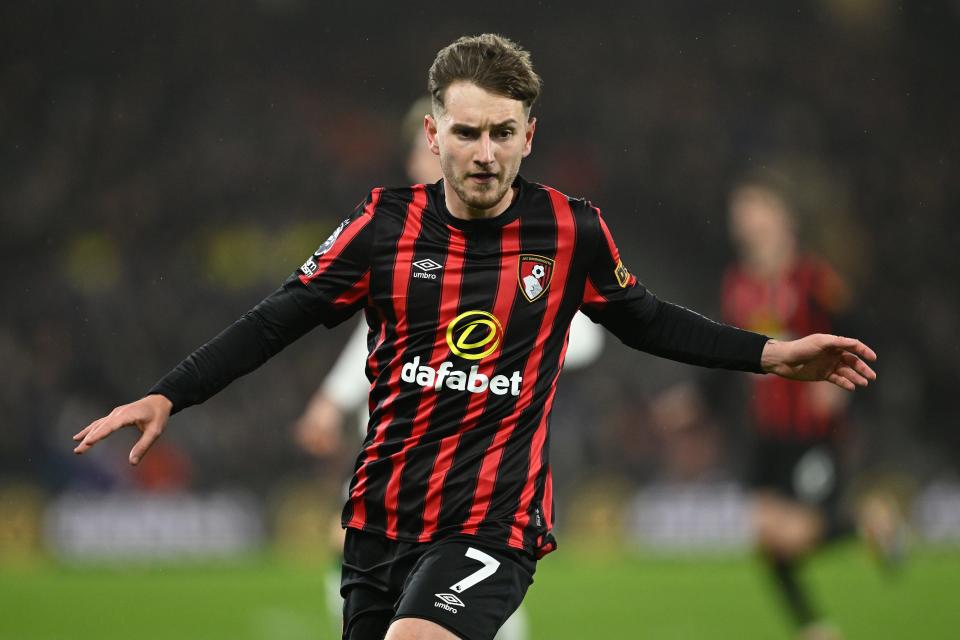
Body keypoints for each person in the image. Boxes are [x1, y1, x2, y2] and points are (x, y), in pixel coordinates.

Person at [74, 34, 877, 640]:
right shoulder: (380, 227)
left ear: (529, 135)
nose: (484, 153)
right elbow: (276, 320)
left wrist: (771, 354)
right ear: (433, 134)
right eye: (467, 133)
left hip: (493, 522)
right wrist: (170, 393)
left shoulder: (569, 231)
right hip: (379, 522)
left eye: (502, 132)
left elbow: (648, 320)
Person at [720, 174, 895, 640]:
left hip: (813, 429)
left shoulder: (814, 278)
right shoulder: (738, 283)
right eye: (740, 211)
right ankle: (812, 628)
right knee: (765, 536)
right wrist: (697, 398)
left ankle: (865, 523)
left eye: (754, 208)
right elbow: (726, 349)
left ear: (782, 217)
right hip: (765, 429)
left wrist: (842, 385)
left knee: (794, 536)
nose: (744, 219)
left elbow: (863, 331)